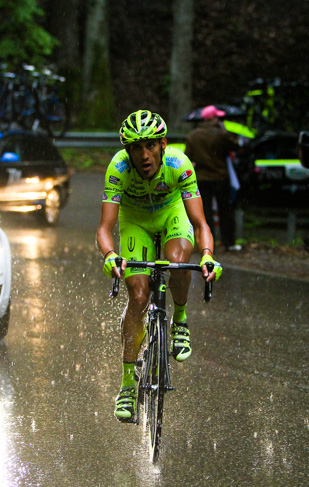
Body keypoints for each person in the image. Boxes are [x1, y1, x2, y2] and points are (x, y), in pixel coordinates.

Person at [96, 109, 222, 422]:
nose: (144, 154)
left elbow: (200, 222)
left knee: (178, 264)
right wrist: (110, 255)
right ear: (127, 152)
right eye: (136, 148)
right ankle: (127, 384)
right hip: (135, 220)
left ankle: (180, 320)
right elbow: (104, 228)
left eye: (150, 145)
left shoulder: (179, 164)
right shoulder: (119, 169)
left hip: (171, 213)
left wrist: (207, 254)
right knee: (138, 297)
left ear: (163, 144)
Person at [184, 105, 241, 251]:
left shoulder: (193, 135)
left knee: (204, 212)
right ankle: (229, 242)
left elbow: (188, 156)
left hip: (202, 178)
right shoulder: (221, 134)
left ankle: (207, 243)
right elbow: (236, 145)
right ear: (214, 118)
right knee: (225, 211)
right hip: (221, 177)